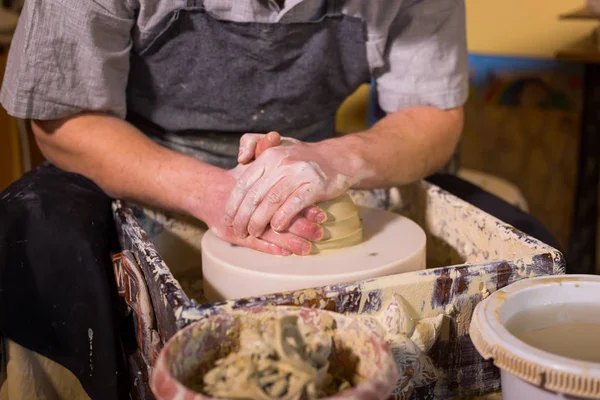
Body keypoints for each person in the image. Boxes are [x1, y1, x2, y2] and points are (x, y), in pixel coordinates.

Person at [0, 0, 559, 399]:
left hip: (317, 152)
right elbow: (61, 116)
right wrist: (216, 193)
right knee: (36, 238)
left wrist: (339, 161)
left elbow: (432, 114)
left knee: (525, 241)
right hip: (142, 154)